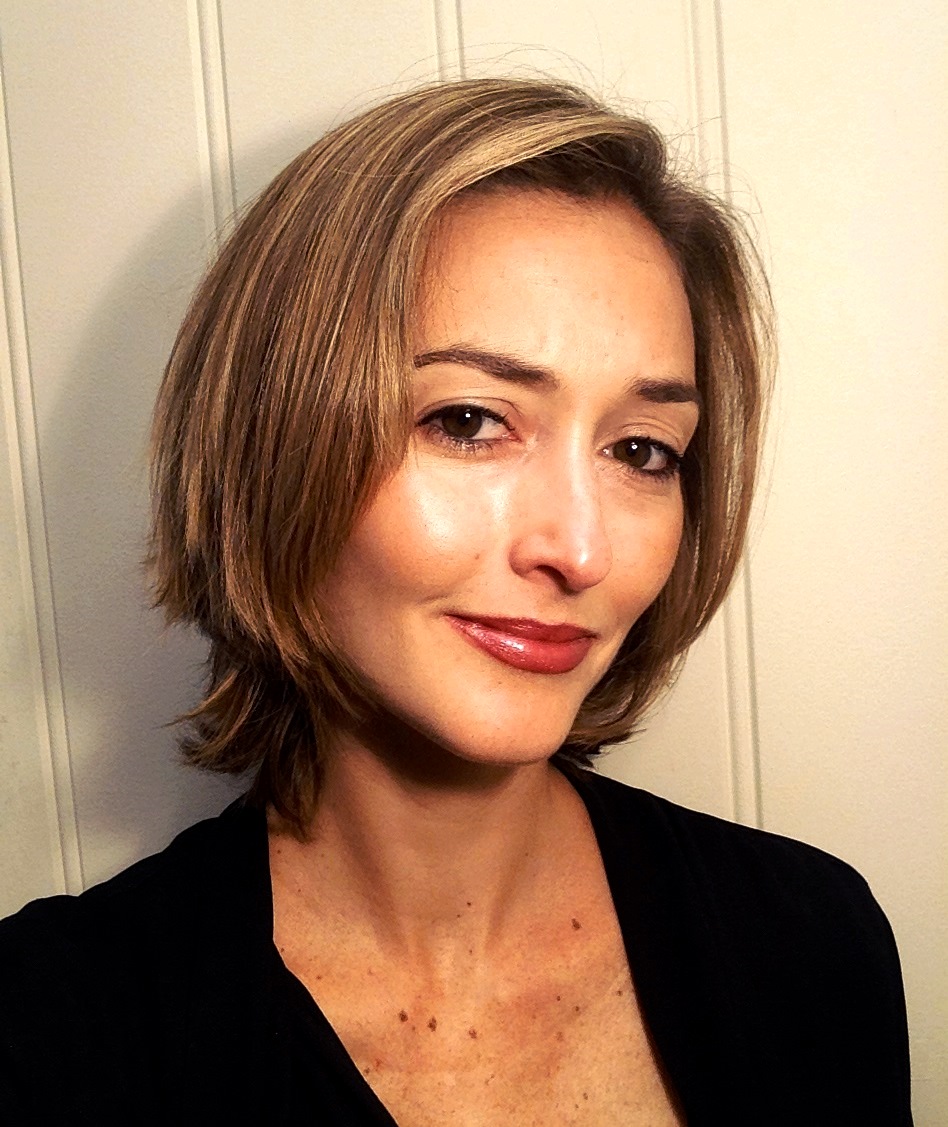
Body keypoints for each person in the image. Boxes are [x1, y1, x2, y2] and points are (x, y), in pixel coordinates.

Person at [0, 78, 911, 1125]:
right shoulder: (51, 1036)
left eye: (641, 450)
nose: (581, 549)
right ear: (274, 444)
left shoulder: (808, 938)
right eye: (471, 420)